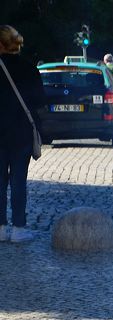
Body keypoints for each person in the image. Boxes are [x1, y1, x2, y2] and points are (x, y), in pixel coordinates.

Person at [0, 25, 44, 244]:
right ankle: (18, 227)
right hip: (21, 134)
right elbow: (39, 101)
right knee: (19, 180)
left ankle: (0, 227)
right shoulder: (29, 69)